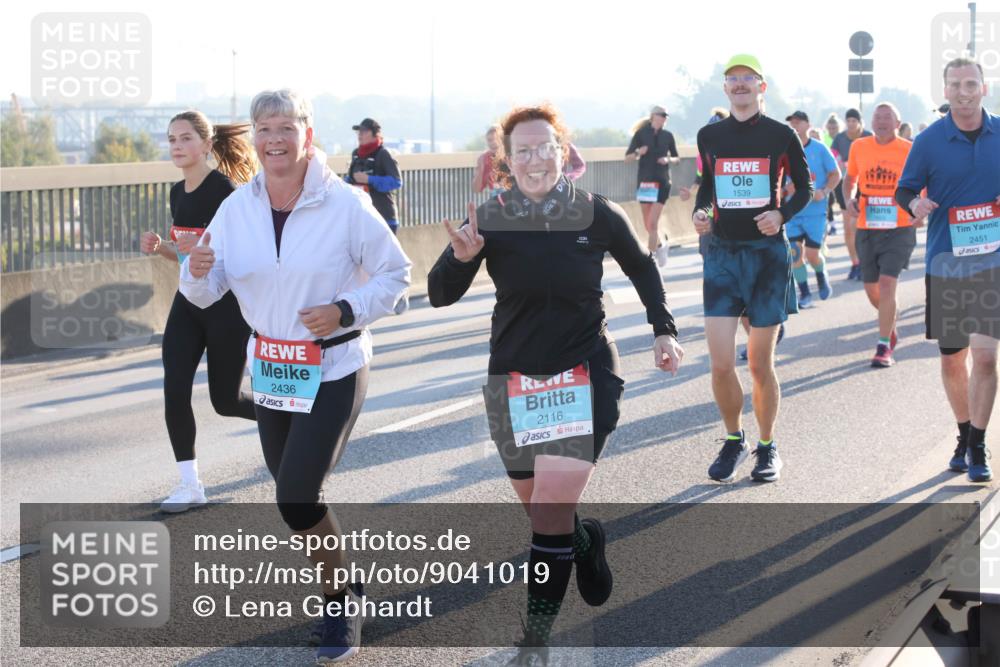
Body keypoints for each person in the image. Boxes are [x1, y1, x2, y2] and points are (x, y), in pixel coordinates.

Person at [428, 103, 683, 664]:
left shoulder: (596, 214)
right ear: (508, 161)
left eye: (545, 147)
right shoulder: (491, 217)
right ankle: (586, 540)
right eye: (523, 150)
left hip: (583, 372)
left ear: (564, 153)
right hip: (513, 380)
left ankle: (535, 639)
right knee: (541, 509)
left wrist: (662, 330)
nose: (536, 158)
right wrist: (460, 259)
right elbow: (440, 293)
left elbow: (642, 267)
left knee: (547, 509)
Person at [181, 89, 411, 661]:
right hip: (274, 367)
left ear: (307, 133)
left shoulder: (346, 205)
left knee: (296, 492)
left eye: (285, 126)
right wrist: (195, 270)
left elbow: (396, 274)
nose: (274, 138)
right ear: (254, 139)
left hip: (333, 363)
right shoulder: (237, 209)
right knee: (294, 504)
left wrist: (345, 310)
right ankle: (345, 583)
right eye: (264, 128)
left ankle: (339, 602)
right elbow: (206, 290)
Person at [693, 54, 811, 483]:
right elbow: (707, 185)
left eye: (748, 79)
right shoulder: (709, 135)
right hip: (722, 255)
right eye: (732, 80)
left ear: (762, 87)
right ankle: (733, 438)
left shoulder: (781, 134)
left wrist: (781, 216)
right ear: (725, 89)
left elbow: (807, 186)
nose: (739, 85)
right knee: (721, 364)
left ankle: (767, 445)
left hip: (766, 257)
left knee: (760, 363)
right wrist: (702, 211)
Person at [139, 110, 258, 513]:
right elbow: (188, 256)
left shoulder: (226, 191)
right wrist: (161, 249)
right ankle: (190, 485)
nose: (177, 146)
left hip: (226, 308)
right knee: (175, 390)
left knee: (226, 401)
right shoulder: (177, 192)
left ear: (206, 145)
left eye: (186, 138)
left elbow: (246, 252)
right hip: (188, 304)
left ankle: (287, 420)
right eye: (171, 139)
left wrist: (217, 262)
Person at [896, 57, 999, 483]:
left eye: (971, 83)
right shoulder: (929, 140)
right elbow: (904, 188)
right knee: (953, 359)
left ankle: (978, 443)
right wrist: (914, 204)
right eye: (955, 84)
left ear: (984, 88)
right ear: (945, 90)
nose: (963, 91)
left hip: (993, 264)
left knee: (986, 357)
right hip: (946, 263)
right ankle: (962, 434)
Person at [843, 102, 919, 368]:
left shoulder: (909, 150)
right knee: (871, 289)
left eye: (888, 117)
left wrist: (918, 209)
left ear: (897, 124)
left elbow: (923, 182)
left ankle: (883, 345)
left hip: (899, 226)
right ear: (871, 122)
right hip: (867, 225)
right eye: (878, 117)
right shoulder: (859, 147)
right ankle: (889, 323)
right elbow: (850, 179)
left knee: (887, 284)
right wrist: (849, 199)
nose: (882, 121)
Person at [345, 117, 409, 314]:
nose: (360, 135)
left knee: (388, 263)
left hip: (384, 215)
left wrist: (370, 179)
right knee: (361, 264)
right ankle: (366, 304)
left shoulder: (384, 154)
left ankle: (400, 298)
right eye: (358, 132)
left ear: (375, 134)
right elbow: (349, 179)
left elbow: (396, 182)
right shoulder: (356, 155)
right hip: (361, 218)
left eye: (363, 131)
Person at [783, 110, 840, 309]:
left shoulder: (820, 149)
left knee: (813, 254)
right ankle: (805, 293)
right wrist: (784, 190)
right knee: (796, 254)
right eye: (791, 123)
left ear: (808, 125)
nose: (794, 126)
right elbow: (774, 184)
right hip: (793, 213)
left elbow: (835, 174)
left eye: (798, 122)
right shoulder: (783, 151)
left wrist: (824, 191)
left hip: (816, 212)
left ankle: (821, 275)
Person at [626, 105, 680, 267]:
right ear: (653, 116)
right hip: (645, 182)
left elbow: (677, 158)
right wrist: (638, 153)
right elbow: (627, 158)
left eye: (666, 115)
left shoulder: (668, 136)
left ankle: (649, 260)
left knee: (653, 223)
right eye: (662, 115)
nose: (664, 118)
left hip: (663, 182)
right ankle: (661, 244)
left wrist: (668, 160)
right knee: (647, 224)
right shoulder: (641, 134)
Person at [832, 108, 873, 280]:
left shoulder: (868, 136)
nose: (850, 124)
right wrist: (843, 166)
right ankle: (855, 263)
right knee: (849, 228)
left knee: (863, 226)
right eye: (848, 121)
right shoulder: (839, 139)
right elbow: (834, 158)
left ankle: (866, 262)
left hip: (866, 186)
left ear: (860, 122)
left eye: (854, 121)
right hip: (846, 187)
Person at [824, 114, 843, 235]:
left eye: (834, 128)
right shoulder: (825, 139)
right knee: (829, 200)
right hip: (828, 175)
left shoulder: (842, 138)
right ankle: (832, 224)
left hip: (843, 174)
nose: (832, 131)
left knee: (842, 201)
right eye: (830, 128)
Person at [473, 125, 504, 196]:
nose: (493, 142)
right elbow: (476, 189)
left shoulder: (514, 156)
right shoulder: (485, 159)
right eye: (490, 140)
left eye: (497, 139)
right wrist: (480, 169)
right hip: (496, 197)